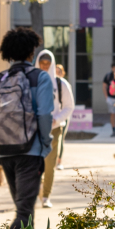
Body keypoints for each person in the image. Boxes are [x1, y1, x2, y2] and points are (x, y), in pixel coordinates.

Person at [0, 27, 54, 229]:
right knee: (24, 213)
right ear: (32, 53)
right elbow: (45, 115)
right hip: (30, 152)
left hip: (5, 153)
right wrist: (45, 143)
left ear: (9, 54)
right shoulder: (41, 78)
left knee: (22, 208)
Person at [37, 51, 74, 209]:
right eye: (42, 63)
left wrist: (56, 119)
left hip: (54, 130)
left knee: (49, 164)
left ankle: (46, 196)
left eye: (47, 63)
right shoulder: (31, 81)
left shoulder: (60, 84)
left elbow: (69, 107)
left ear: (52, 64)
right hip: (35, 130)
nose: (45, 66)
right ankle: (35, 190)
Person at [55, 64, 70, 169]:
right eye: (55, 71)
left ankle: (59, 161)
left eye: (59, 72)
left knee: (61, 138)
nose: (57, 73)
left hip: (62, 117)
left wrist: (61, 117)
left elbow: (69, 104)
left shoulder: (64, 84)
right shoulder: (49, 82)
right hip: (52, 117)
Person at [103, 63, 115, 138]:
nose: (114, 69)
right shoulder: (108, 76)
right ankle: (113, 130)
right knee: (112, 114)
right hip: (111, 98)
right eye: (113, 68)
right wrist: (106, 97)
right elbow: (105, 87)